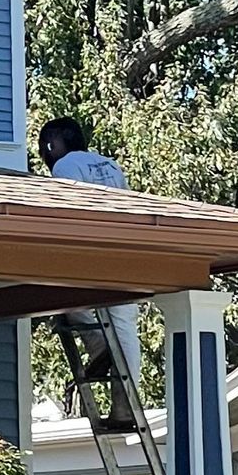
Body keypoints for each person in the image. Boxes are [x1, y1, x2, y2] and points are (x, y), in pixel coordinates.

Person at [37, 117, 142, 432]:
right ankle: (127, 410)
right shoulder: (109, 165)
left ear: (54, 143)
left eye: (46, 145)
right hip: (126, 255)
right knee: (125, 331)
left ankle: (98, 346)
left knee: (65, 299)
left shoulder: (65, 167)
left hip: (92, 252)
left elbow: (69, 214)